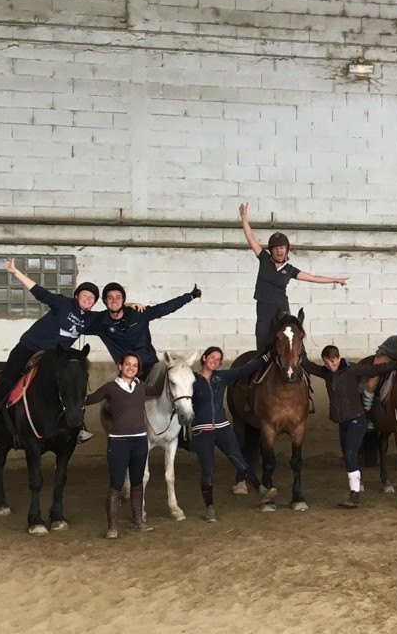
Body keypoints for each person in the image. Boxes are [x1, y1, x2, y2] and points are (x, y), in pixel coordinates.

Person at [0, 259, 102, 441]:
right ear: (77, 296)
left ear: (94, 303)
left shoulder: (90, 319)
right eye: (85, 295)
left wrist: (128, 306)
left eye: (92, 298)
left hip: (53, 356)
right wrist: (14, 271)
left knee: (70, 384)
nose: (88, 299)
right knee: (9, 377)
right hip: (30, 347)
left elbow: (114, 316)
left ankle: (78, 427)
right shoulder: (63, 304)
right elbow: (39, 292)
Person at [302, 346, 397, 508]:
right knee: (348, 457)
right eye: (326, 362)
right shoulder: (326, 373)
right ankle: (355, 490)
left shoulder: (351, 369)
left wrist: (396, 364)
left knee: (350, 454)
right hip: (342, 422)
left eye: (333, 361)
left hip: (357, 419)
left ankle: (355, 495)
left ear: (338, 358)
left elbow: (374, 368)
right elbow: (308, 365)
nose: (330, 364)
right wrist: (298, 350)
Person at [239, 202, 349, 352]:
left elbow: (313, 277)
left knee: (290, 342)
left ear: (286, 249)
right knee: (263, 343)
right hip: (264, 308)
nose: (279, 251)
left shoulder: (290, 270)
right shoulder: (264, 259)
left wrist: (334, 279)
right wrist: (244, 217)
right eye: (276, 248)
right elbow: (250, 237)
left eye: (282, 248)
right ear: (271, 250)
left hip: (282, 309)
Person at [84, 353, 166, 538]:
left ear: (138, 369)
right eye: (127, 364)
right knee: (116, 484)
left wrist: (166, 369)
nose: (131, 367)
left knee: (137, 483)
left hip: (139, 441)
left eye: (135, 365)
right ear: (120, 366)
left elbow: (159, 390)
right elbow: (89, 399)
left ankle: (138, 521)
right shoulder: (110, 388)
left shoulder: (142, 386)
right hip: (119, 441)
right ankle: (112, 527)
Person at [190, 346, 277, 521]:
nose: (215, 361)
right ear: (204, 358)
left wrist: (267, 357)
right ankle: (209, 508)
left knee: (240, 461)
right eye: (212, 357)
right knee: (207, 470)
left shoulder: (221, 377)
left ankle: (260, 490)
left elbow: (245, 370)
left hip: (222, 428)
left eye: (218, 359)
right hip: (202, 432)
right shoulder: (191, 380)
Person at [87, 282, 202, 381]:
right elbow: (79, 321)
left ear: (123, 299)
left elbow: (164, 308)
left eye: (118, 297)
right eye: (110, 297)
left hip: (150, 365)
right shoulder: (100, 322)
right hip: (127, 371)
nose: (114, 300)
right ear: (105, 301)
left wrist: (189, 297)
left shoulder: (138, 313)